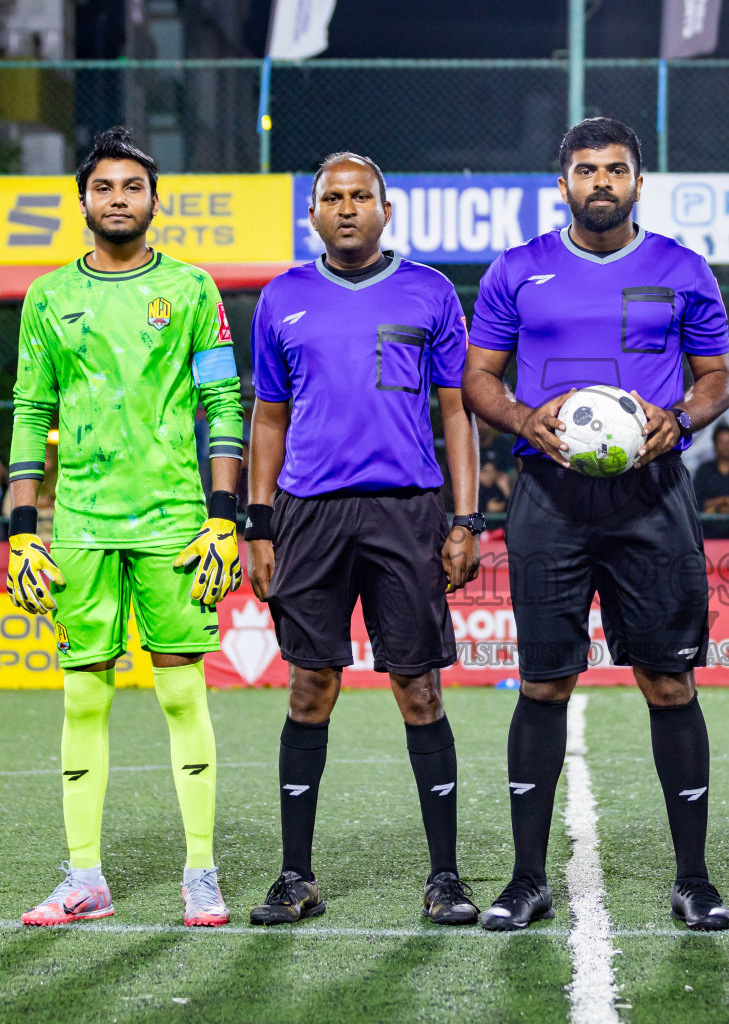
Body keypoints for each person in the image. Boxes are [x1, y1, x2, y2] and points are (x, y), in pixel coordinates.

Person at [463, 117, 729, 931]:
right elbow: (479, 378)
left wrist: (682, 421)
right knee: (545, 683)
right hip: (549, 497)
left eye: (616, 169)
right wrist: (520, 418)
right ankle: (525, 879)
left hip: (652, 497)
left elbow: (718, 377)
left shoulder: (684, 270)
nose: (601, 182)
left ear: (639, 181)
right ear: (563, 184)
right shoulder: (518, 271)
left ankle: (694, 879)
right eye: (586, 170)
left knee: (668, 681)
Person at [6, 127, 246, 928]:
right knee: (83, 698)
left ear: (153, 200)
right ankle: (84, 878)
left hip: (176, 521)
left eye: (132, 187)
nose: (118, 199)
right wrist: (20, 528)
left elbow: (222, 405)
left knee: (182, 691)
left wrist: (224, 520)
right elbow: (31, 409)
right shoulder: (46, 298)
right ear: (82, 202)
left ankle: (202, 872)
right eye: (104, 187)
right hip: (78, 521)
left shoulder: (190, 291)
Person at [244, 152, 483, 927]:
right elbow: (269, 419)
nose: (347, 208)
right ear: (311, 213)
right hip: (309, 515)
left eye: (361, 196)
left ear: (387, 209)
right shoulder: (282, 298)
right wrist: (259, 522)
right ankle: (295, 877)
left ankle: (444, 877)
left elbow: (457, 411)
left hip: (405, 512)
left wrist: (465, 517)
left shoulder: (431, 291)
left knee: (418, 690)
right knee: (310, 689)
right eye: (331, 198)